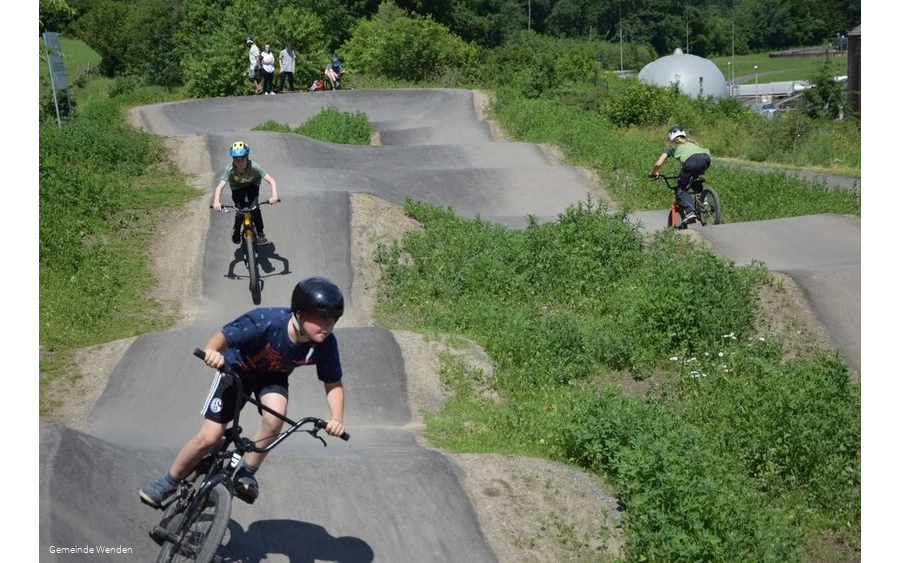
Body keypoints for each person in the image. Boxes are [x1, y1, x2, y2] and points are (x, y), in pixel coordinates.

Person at [139, 277, 348, 507]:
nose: (327, 327)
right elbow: (222, 337)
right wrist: (212, 352)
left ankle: (247, 472)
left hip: (272, 377)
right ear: (299, 313)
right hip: (236, 369)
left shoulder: (325, 344)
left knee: (276, 416)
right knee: (210, 436)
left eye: (333, 320)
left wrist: (336, 419)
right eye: (321, 319)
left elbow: (333, 384)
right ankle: (168, 482)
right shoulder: (265, 321)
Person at [212, 141, 279, 246]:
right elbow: (220, 186)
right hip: (237, 188)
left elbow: (271, 180)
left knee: (254, 208)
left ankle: (260, 234)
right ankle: (236, 230)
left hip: (252, 185)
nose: (239, 162)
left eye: (242, 159)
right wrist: (217, 201)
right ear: (233, 160)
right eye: (236, 160)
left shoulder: (254, 166)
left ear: (247, 157)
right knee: (240, 211)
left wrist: (274, 196)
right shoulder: (229, 169)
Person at [648, 126, 711, 224]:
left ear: (670, 138)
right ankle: (704, 202)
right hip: (706, 159)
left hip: (691, 162)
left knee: (681, 190)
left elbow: (658, 164)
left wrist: (653, 173)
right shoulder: (691, 143)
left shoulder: (671, 146)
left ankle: (690, 211)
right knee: (694, 179)